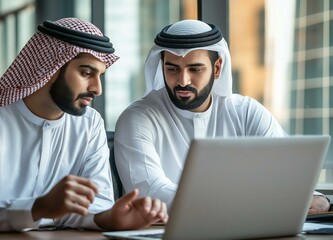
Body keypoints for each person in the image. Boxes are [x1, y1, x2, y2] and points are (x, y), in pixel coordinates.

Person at [0, 18, 168, 239]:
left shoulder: (90, 124)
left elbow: (96, 205)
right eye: (86, 73)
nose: (97, 89)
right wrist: (36, 208)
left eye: (100, 76)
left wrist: (112, 218)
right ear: (50, 68)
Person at [114, 19, 330, 214]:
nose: (182, 81)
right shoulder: (137, 119)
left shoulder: (246, 112)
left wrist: (319, 199)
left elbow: (289, 176)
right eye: (172, 69)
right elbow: (151, 193)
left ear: (217, 69)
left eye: (195, 69)